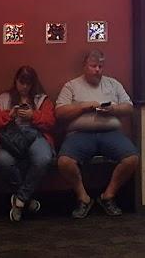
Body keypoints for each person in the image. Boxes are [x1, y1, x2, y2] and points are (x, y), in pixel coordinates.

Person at [55, 50, 140, 218]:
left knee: (132, 159)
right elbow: (59, 112)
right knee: (64, 162)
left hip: (110, 133)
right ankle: (84, 198)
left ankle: (107, 196)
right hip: (80, 134)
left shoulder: (113, 84)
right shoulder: (71, 86)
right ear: (85, 66)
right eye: (93, 66)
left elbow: (129, 108)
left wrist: (113, 109)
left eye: (100, 66)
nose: (97, 70)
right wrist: (83, 107)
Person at [0, 65, 56, 222]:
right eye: (21, 83)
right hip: (10, 137)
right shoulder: (4, 99)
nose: (24, 87)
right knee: (3, 160)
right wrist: (8, 115)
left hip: (35, 135)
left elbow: (50, 121)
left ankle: (20, 199)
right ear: (15, 81)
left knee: (43, 158)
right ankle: (25, 200)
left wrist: (33, 115)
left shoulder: (41, 99)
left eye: (28, 83)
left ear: (33, 84)